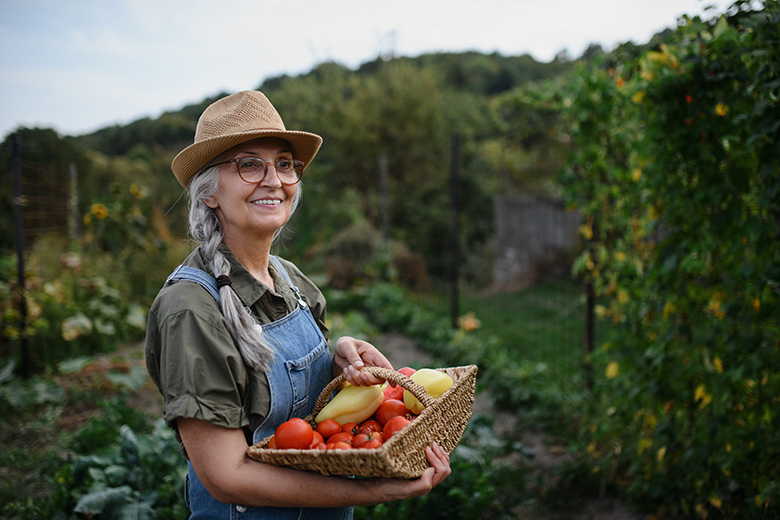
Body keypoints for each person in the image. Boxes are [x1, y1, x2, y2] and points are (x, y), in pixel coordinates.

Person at [144, 90, 451, 519]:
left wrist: (337, 363)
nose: (274, 180)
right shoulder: (192, 309)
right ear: (209, 192)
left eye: (285, 163)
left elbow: (309, 417)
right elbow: (226, 476)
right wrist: (371, 490)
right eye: (249, 164)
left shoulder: (291, 279)